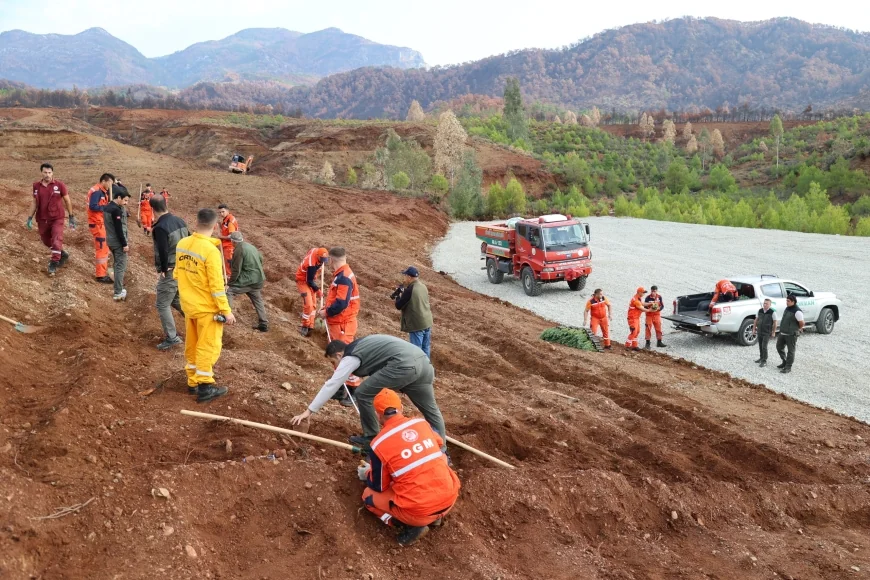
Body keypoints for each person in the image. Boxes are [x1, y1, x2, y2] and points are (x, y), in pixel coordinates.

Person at [290, 335, 447, 452]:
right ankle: (442, 451)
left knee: (363, 393)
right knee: (431, 410)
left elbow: (333, 383)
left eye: (333, 362)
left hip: (403, 364)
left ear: (338, 355)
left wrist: (309, 411)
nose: (335, 366)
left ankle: (372, 439)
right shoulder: (364, 346)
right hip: (423, 363)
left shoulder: (350, 356)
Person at [357, 389, 460, 547]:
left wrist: (367, 473)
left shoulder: (379, 444)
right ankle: (435, 518)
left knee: (368, 496)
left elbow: (379, 486)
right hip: (450, 498)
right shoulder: (421, 423)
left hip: (419, 512)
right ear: (401, 408)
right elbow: (439, 444)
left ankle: (410, 526)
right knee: (439, 460)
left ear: (377, 415)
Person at [174, 208, 236, 403]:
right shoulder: (210, 251)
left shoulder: (182, 244)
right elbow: (217, 287)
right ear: (215, 226)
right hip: (206, 309)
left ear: (196, 222)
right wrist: (226, 311)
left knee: (192, 344)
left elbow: (177, 274)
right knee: (207, 346)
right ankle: (205, 387)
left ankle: (192, 381)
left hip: (188, 306)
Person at [150, 195, 189, 350]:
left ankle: (172, 338)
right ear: (166, 204)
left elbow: (163, 250)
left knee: (162, 304)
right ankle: (198, 323)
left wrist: (164, 268)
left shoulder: (160, 227)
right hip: (184, 267)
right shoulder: (180, 221)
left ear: (153, 209)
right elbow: (190, 239)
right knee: (176, 299)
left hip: (172, 268)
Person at [27, 163, 75, 276]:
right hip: (42, 218)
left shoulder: (60, 185)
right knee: (45, 240)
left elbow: (67, 200)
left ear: (52, 173)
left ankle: (53, 263)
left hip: (57, 218)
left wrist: (71, 216)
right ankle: (62, 253)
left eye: (49, 172)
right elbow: (34, 202)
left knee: (56, 239)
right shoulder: (36, 186)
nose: (47, 175)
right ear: (41, 173)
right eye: (45, 172)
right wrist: (29, 217)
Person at [227, 231, 268, 332]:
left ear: (233, 241)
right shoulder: (251, 246)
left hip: (248, 280)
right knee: (257, 299)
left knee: (229, 291)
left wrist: (230, 283)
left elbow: (236, 270)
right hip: (259, 279)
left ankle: (227, 316)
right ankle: (263, 323)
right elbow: (261, 259)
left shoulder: (238, 250)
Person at [318, 247, 360, 344]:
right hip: (341, 322)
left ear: (331, 260)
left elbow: (341, 303)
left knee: (340, 351)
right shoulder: (343, 274)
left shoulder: (343, 278)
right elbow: (338, 298)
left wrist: (327, 312)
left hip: (342, 324)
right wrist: (326, 308)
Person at [393, 266, 433, 358]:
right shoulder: (423, 286)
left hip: (417, 325)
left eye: (405, 276)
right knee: (426, 347)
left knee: (416, 351)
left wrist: (397, 296)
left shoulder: (410, 290)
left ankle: (418, 366)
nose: (404, 278)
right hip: (427, 321)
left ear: (409, 277)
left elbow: (398, 306)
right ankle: (426, 365)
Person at [103, 188, 131, 301]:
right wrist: (124, 244)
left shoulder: (108, 207)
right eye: (125, 200)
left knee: (116, 264)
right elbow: (119, 229)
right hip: (118, 242)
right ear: (118, 198)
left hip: (110, 241)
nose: (126, 203)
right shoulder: (115, 210)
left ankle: (118, 289)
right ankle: (118, 292)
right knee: (120, 266)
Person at [86, 173, 114, 283]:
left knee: (104, 248)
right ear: (104, 181)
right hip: (97, 224)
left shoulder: (101, 191)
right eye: (110, 183)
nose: (111, 185)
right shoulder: (97, 192)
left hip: (100, 223)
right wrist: (107, 207)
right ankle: (101, 275)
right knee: (102, 248)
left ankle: (102, 272)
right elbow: (93, 206)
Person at [295, 247, 329, 337]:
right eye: (321, 260)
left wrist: (316, 273)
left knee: (314, 304)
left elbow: (311, 250)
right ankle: (305, 326)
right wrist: (318, 290)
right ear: (317, 256)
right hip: (302, 281)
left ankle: (311, 325)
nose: (323, 262)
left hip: (309, 279)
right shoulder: (311, 264)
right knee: (309, 305)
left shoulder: (316, 251)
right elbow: (309, 281)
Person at [776, 294, 804, 374]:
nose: (786, 302)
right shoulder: (787, 308)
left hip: (791, 334)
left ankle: (788, 367)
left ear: (793, 302)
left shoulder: (797, 312)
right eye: (786, 300)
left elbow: (802, 323)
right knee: (779, 347)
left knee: (791, 351)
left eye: (788, 301)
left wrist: (797, 329)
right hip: (783, 333)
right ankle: (784, 361)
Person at [752, 298, 777, 367]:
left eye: (767, 304)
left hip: (767, 332)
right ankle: (761, 358)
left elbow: (775, 323)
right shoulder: (760, 311)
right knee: (760, 345)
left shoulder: (772, 312)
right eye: (764, 303)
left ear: (770, 305)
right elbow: (756, 320)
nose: (765, 305)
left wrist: (773, 332)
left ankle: (764, 360)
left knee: (764, 346)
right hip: (759, 331)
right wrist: (754, 329)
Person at [216, 204, 238, 276]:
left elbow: (232, 236)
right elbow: (226, 230)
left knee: (228, 266)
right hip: (226, 245)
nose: (221, 214)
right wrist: (220, 225)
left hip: (229, 247)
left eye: (223, 212)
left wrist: (221, 236)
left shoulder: (230, 221)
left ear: (228, 211)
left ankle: (229, 279)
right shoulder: (226, 219)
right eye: (220, 212)